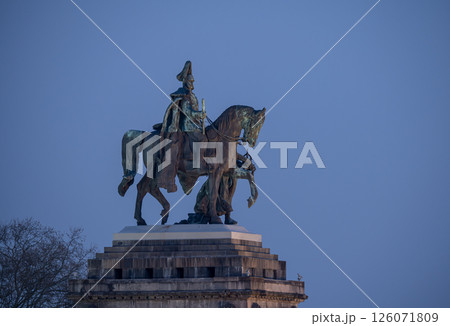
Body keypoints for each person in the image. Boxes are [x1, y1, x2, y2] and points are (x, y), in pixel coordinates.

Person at [157, 61, 206, 192]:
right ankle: (197, 163)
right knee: (201, 139)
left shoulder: (192, 95)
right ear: (185, 82)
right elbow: (187, 111)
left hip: (195, 124)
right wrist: (199, 114)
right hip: (187, 126)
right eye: (190, 82)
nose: (192, 84)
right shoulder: (184, 95)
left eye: (193, 82)